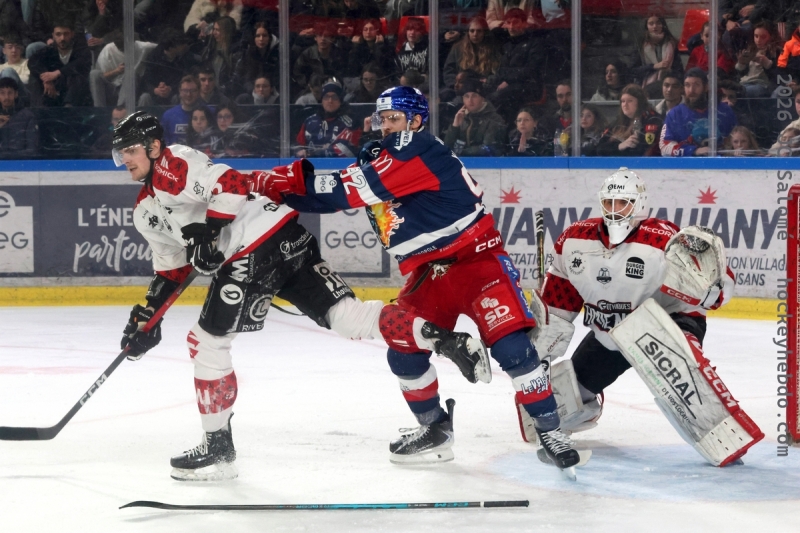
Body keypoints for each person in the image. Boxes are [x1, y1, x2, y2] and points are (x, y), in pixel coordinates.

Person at [112, 110, 489, 481]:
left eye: (130, 150)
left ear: (154, 146)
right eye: (121, 153)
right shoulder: (145, 211)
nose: (124, 159)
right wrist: (149, 315)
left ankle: (218, 451)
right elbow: (172, 271)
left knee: (206, 343)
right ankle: (444, 339)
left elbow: (231, 183)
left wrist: (209, 233)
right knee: (347, 316)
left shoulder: (173, 163)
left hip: (253, 246)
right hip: (285, 234)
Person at [252, 86, 584, 474]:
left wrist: (288, 181)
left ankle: (550, 429)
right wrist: (276, 194)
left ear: (415, 120)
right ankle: (435, 430)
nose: (386, 126)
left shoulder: (416, 147)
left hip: (476, 263)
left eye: (393, 118)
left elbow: (345, 190)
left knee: (511, 350)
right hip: (428, 274)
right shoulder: (386, 163)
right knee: (402, 349)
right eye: (382, 120)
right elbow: (337, 193)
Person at [535, 168, 762, 466]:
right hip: (611, 333)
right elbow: (559, 302)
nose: (615, 211)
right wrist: (539, 352)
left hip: (667, 321)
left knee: (689, 389)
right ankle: (588, 400)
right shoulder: (574, 240)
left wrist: (714, 286)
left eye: (623, 203)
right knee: (557, 409)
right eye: (610, 203)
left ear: (639, 204)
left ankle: (724, 431)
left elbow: (716, 291)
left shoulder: (664, 240)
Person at [660, 68, 737, 157]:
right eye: (687, 85)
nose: (691, 90)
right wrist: (693, 151)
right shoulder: (674, 114)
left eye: (696, 85)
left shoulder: (724, 111)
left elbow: (738, 140)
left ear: (706, 87)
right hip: (686, 168)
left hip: (720, 166)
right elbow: (664, 147)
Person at [27, 20, 92, 107]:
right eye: (58, 34)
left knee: (77, 76)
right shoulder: (49, 50)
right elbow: (32, 62)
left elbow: (82, 64)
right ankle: (37, 112)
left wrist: (58, 72)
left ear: (72, 34)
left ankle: (68, 110)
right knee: (34, 77)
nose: (62, 38)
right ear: (53, 36)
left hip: (76, 94)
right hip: (54, 92)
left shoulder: (81, 49)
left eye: (66, 34)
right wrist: (46, 78)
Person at [89, 31, 156, 107]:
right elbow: (101, 75)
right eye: (123, 49)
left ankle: (121, 111)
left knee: (131, 73)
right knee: (94, 74)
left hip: (132, 90)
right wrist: (116, 71)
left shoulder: (143, 47)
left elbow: (160, 46)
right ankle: (99, 111)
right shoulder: (108, 50)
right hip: (113, 87)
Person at [294, 81, 361, 157]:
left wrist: (314, 154)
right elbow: (298, 145)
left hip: (340, 166)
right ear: (322, 100)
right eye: (326, 97)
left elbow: (347, 150)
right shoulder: (310, 122)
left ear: (340, 100)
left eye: (334, 97)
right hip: (310, 166)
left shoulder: (350, 123)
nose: (330, 101)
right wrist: (299, 151)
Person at [443, 77, 506, 156]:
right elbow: (446, 148)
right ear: (463, 99)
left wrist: (460, 153)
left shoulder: (494, 119)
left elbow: (488, 148)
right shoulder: (460, 118)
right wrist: (455, 126)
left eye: (474, 96)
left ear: (482, 99)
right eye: (467, 96)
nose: (470, 100)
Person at [137, 28, 199, 107]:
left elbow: (187, 78)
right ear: (171, 48)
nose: (185, 46)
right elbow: (146, 80)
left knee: (179, 97)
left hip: (175, 92)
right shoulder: (153, 57)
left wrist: (171, 89)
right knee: (144, 97)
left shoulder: (186, 57)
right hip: (155, 95)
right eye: (181, 44)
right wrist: (155, 90)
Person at [596, 84, 662, 156]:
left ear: (640, 102)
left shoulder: (652, 120)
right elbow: (599, 148)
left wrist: (614, 149)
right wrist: (620, 146)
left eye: (630, 101)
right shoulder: (618, 122)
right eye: (623, 101)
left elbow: (639, 150)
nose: (625, 105)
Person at [442, 16, 500, 90]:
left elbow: (498, 71)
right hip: (461, 88)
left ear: (484, 32)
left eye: (479, 31)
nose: (475, 34)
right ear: (468, 32)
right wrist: (455, 84)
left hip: (483, 88)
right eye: (472, 31)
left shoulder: (493, 48)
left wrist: (489, 82)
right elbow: (449, 71)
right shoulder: (458, 48)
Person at [633, 14, 683, 98]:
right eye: (651, 23)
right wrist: (653, 67)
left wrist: (668, 72)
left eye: (658, 23)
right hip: (646, 88)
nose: (655, 26)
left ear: (663, 25)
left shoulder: (672, 44)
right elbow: (633, 71)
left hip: (669, 88)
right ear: (646, 26)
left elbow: (679, 70)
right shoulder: (640, 46)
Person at [734, 19, 781, 97]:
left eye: (763, 37)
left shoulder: (775, 51)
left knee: (743, 92)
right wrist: (741, 63)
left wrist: (767, 63)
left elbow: (778, 76)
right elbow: (741, 74)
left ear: (771, 36)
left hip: (762, 85)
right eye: (756, 36)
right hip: (745, 83)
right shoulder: (751, 49)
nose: (758, 40)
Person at [231, 20, 279, 95]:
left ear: (269, 37)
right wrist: (254, 90)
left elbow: (278, 78)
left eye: (264, 35)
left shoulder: (277, 54)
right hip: (251, 94)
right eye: (258, 36)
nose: (261, 39)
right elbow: (243, 78)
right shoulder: (246, 55)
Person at [0, 77, 37, 157]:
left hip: (20, 164)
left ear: (16, 94)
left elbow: (32, 150)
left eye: (10, 93)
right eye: (2, 93)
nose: (6, 97)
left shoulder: (28, 116)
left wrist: (7, 156)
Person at [162, 75, 202, 145]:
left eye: (192, 91)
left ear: (198, 92)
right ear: (180, 92)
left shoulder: (208, 113)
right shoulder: (168, 116)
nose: (189, 94)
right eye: (185, 90)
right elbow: (162, 141)